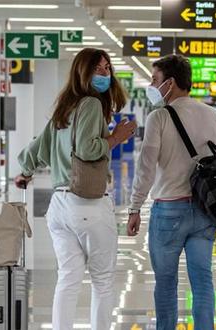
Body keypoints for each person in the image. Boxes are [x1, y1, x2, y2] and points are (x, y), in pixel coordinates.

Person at [14, 48, 135, 330]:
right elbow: (88, 150)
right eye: (98, 69)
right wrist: (116, 137)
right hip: (88, 204)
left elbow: (36, 149)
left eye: (107, 68)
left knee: (68, 278)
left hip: (59, 207)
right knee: (102, 281)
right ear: (83, 72)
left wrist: (25, 173)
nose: (105, 73)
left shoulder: (64, 107)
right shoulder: (92, 104)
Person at [127, 55, 216, 330]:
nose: (151, 85)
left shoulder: (159, 117)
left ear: (170, 83)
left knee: (166, 282)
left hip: (169, 209)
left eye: (155, 80)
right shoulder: (212, 115)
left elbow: (146, 167)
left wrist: (135, 207)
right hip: (205, 211)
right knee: (203, 281)